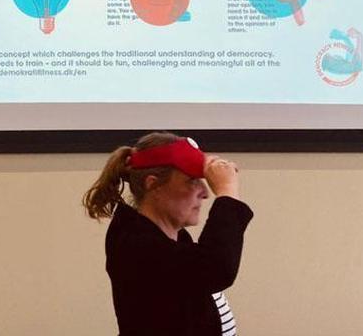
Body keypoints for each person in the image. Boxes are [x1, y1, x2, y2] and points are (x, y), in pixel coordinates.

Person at [83, 132, 253, 336]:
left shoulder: (172, 237)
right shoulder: (137, 245)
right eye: (192, 181)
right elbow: (217, 268)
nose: (205, 192)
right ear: (153, 184)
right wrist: (227, 192)